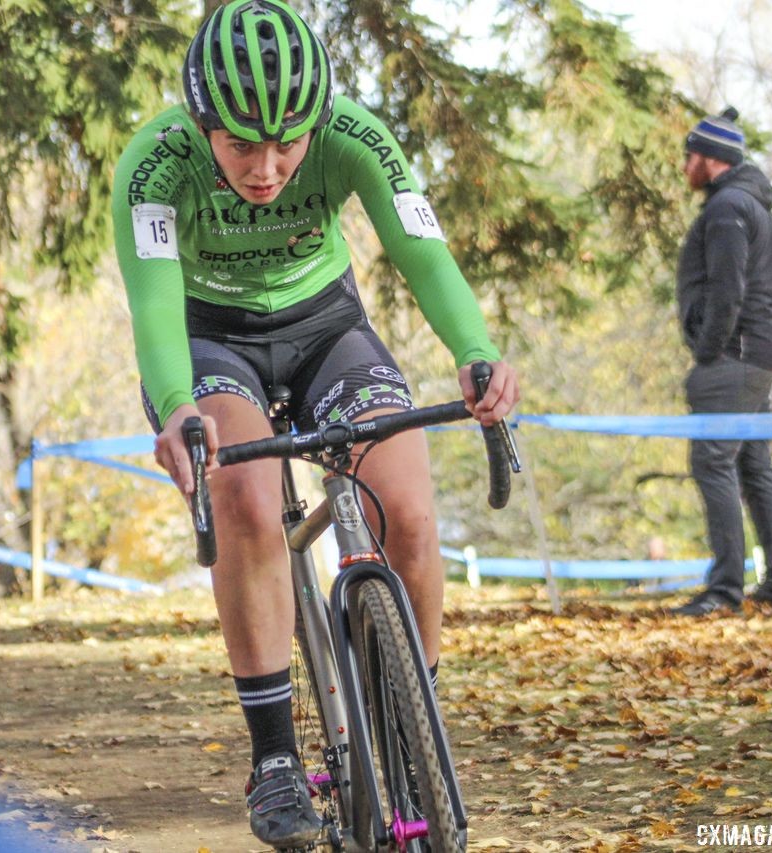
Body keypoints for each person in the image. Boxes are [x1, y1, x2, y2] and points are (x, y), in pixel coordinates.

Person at [111, 0, 518, 846]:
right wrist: (178, 403)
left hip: (326, 324)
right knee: (250, 503)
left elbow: (421, 251)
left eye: (287, 145)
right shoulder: (153, 165)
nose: (266, 169)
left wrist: (477, 351)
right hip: (207, 338)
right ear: (200, 120)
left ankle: (412, 722)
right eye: (241, 145)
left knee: (405, 506)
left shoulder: (355, 136)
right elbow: (153, 306)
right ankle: (273, 761)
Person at [670, 107, 772, 617]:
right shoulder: (748, 204)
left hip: (735, 355)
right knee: (752, 463)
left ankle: (725, 588)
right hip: (756, 351)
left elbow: (729, 288)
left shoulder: (727, 210)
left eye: (689, 156)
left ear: (710, 159)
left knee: (712, 461)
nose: (684, 166)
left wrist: (708, 350)